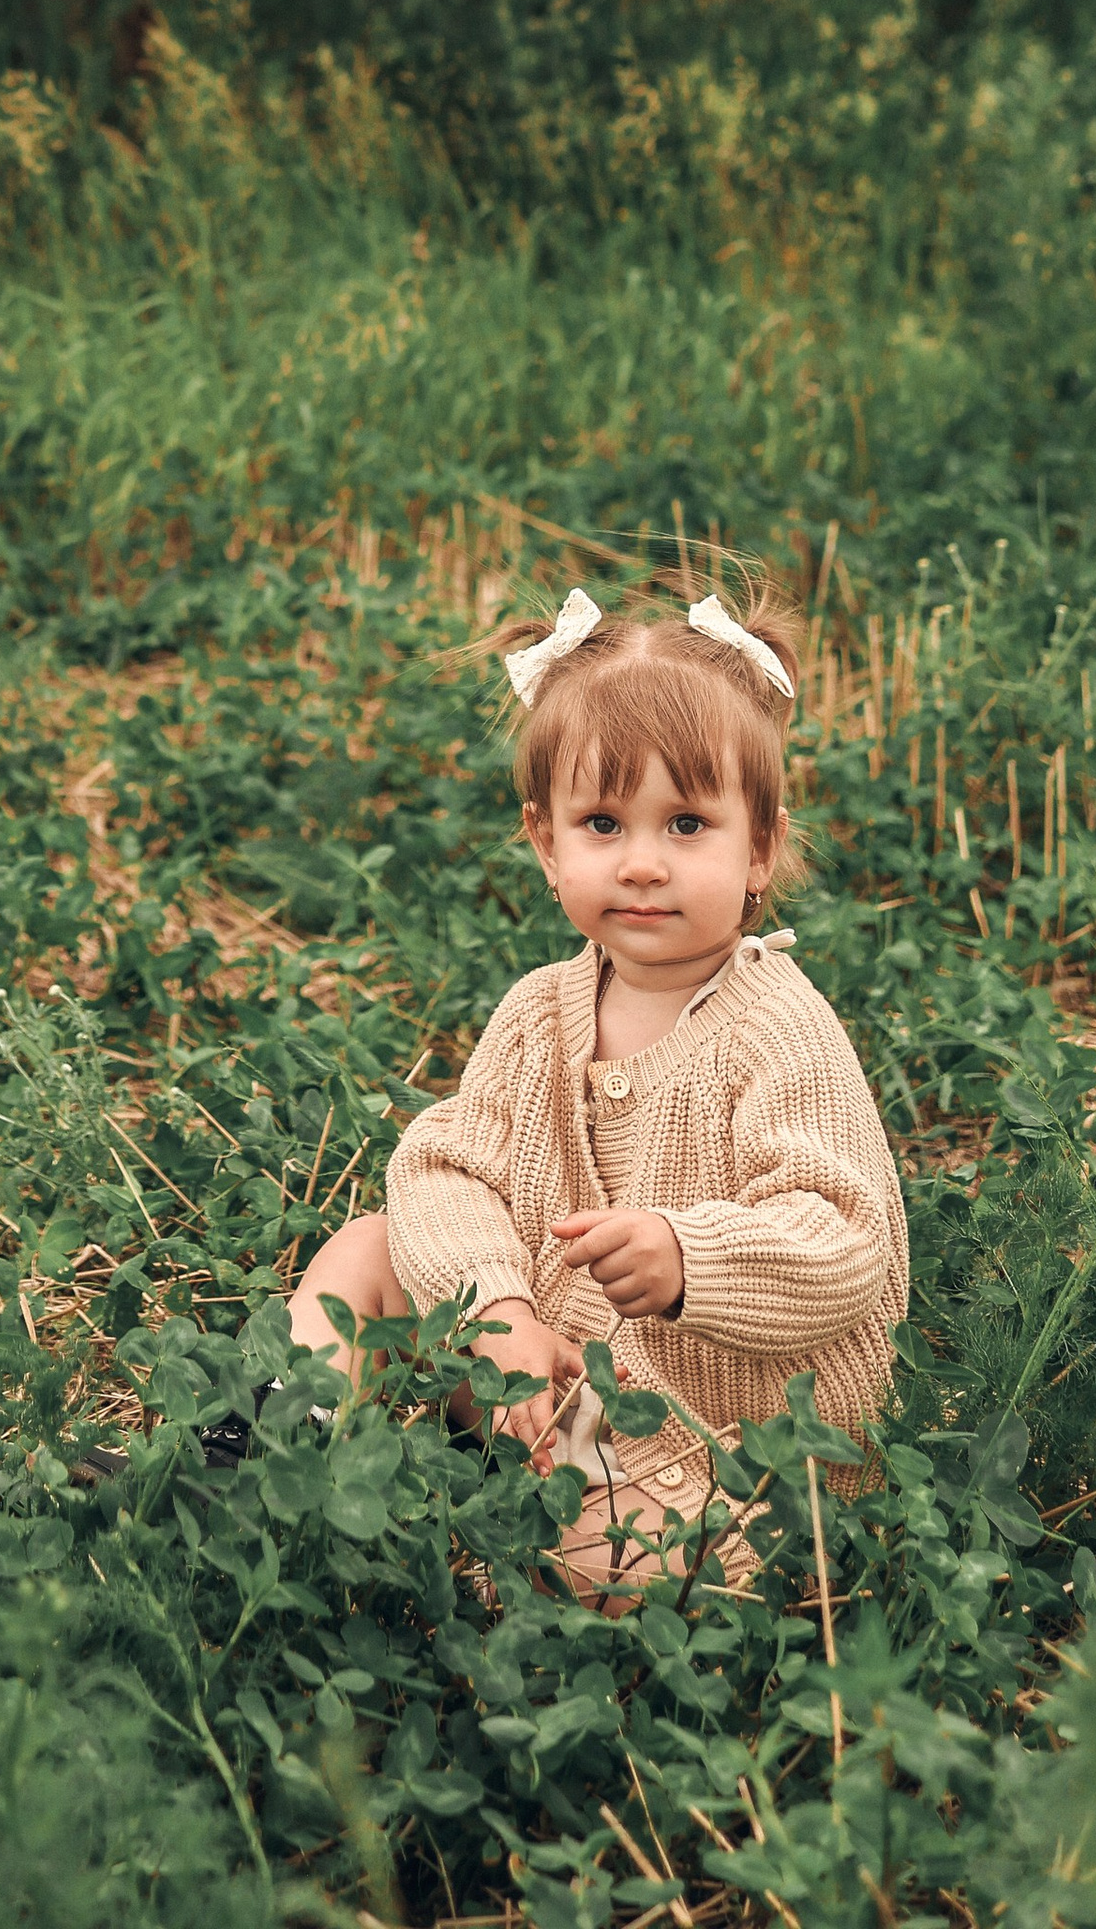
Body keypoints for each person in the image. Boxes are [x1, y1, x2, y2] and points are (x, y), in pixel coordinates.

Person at [282, 580, 908, 1595]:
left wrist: (687, 1256)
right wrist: (498, 1313)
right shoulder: (540, 1012)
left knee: (627, 1561)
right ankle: (264, 1445)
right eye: (605, 823)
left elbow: (842, 1237)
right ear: (546, 843)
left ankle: (497, 1558)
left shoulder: (779, 1029)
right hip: (550, 1375)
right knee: (371, 1247)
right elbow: (445, 1168)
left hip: (724, 1447)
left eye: (688, 824)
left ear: (760, 847)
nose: (644, 864)